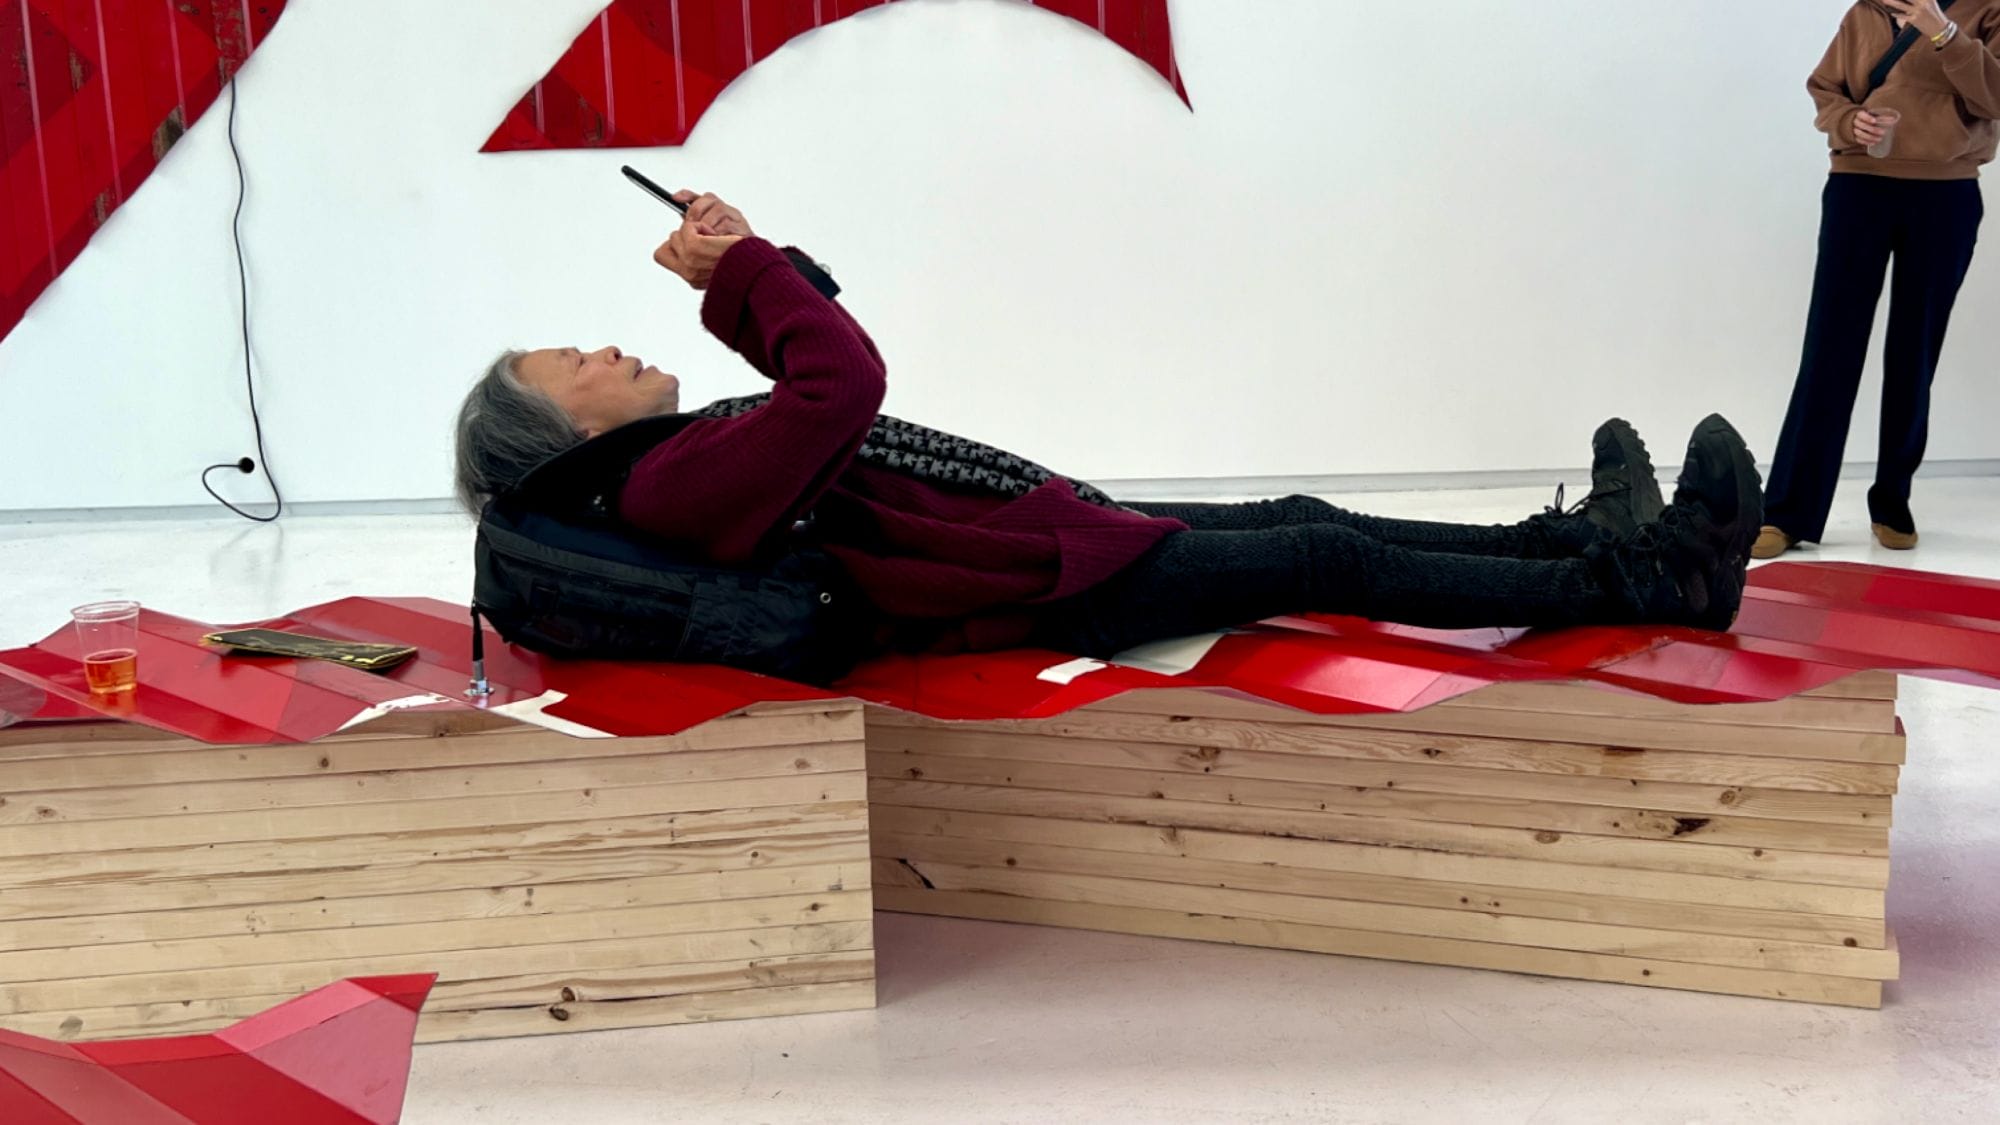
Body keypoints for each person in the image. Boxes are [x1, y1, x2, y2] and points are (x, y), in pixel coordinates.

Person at [454, 191, 1763, 663]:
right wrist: (744, 270)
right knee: (1319, 556)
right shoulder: (663, 486)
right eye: (574, 363)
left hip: (1031, 541)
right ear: (552, 435)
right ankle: (1650, 583)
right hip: (1032, 590)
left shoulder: (676, 469)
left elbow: (811, 413)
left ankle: (1569, 543)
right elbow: (840, 390)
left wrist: (754, 272)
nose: (608, 349)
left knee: (1306, 522)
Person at [1758, 0, 1999, 558]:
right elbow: (1825, 87)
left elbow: (1994, 98)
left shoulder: (1985, 10)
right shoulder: (1864, 12)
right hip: (1858, 187)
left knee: (1915, 351)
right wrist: (1848, 121)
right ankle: (1790, 510)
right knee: (1829, 347)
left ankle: (1892, 499)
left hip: (1946, 193)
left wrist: (1944, 33)